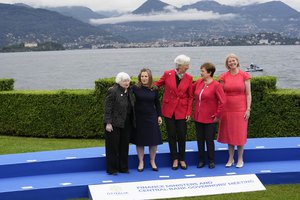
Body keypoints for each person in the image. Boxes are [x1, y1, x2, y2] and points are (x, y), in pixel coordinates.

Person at [155, 54, 193, 170]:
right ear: (180, 66)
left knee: (182, 135)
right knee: (171, 136)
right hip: (169, 110)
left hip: (182, 110)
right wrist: (144, 87)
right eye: (186, 65)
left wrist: (188, 112)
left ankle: (182, 159)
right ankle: (174, 159)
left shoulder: (189, 78)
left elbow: (190, 97)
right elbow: (157, 85)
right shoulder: (168, 74)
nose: (188, 67)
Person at [217, 53, 252, 168]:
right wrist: (219, 110)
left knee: (240, 135)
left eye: (233, 60)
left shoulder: (244, 75)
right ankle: (230, 158)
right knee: (229, 135)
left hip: (241, 109)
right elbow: (220, 95)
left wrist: (248, 109)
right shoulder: (223, 76)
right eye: (229, 61)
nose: (231, 63)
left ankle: (240, 159)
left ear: (237, 61)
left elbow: (248, 94)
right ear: (227, 64)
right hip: (227, 109)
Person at [193, 62, 226, 169]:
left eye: (202, 71)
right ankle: (201, 160)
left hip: (210, 119)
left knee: (209, 140)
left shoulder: (216, 85)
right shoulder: (199, 82)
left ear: (209, 72)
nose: (201, 73)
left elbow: (223, 102)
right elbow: (188, 89)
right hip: (198, 117)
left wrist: (217, 116)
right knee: (200, 140)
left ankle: (211, 161)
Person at [131, 68, 163, 172]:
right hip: (139, 118)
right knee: (140, 141)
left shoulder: (154, 88)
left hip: (152, 117)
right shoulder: (135, 88)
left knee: (153, 141)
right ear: (140, 77)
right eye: (142, 76)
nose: (144, 78)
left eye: (146, 76)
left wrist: (159, 116)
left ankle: (152, 161)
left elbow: (157, 103)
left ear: (149, 77)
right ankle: (141, 161)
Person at [103, 72, 135, 175]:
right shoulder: (113, 91)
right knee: (113, 147)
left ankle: (123, 168)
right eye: (124, 81)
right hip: (114, 124)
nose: (127, 83)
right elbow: (107, 108)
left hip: (126, 123)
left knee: (124, 146)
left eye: (128, 81)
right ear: (119, 81)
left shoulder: (129, 91)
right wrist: (108, 123)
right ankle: (112, 169)